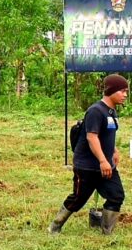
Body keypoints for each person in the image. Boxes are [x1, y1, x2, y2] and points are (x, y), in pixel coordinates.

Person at [49, 73, 128, 236]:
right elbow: (91, 137)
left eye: (126, 91)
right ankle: (55, 226)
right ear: (111, 90)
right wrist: (102, 160)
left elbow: (107, 135)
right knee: (78, 199)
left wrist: (114, 151)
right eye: (122, 91)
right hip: (87, 166)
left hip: (106, 166)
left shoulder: (112, 112)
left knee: (116, 195)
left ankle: (107, 233)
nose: (125, 95)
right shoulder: (95, 111)